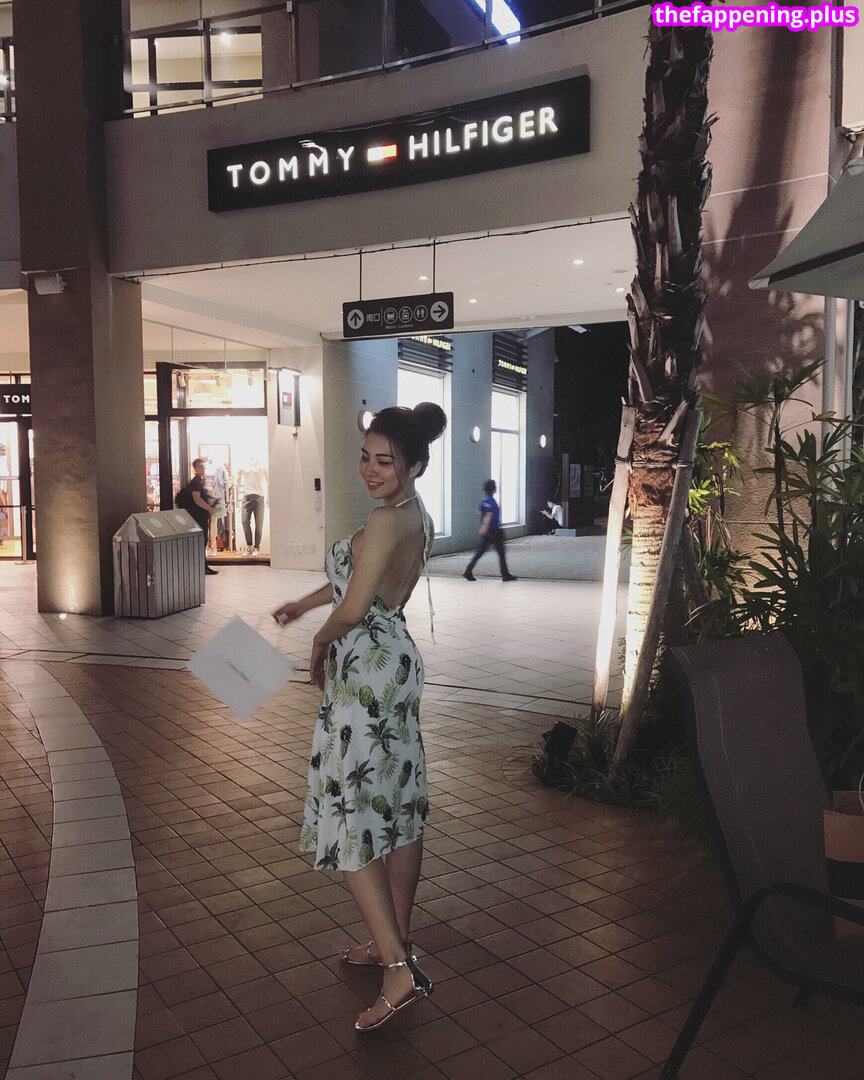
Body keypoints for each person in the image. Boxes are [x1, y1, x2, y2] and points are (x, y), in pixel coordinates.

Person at [272, 402, 446, 1032]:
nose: (371, 470)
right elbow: (356, 582)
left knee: (351, 817)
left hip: (365, 670)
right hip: (392, 661)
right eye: (366, 458)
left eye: (386, 462)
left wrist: (318, 643)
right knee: (396, 809)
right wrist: (303, 604)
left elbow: (351, 609)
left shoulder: (385, 518)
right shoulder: (414, 515)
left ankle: (397, 970)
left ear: (414, 465)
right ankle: (392, 941)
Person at [463, 479, 517, 582]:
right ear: (493, 489)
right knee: (501, 554)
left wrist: (483, 526)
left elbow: (480, 512)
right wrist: (485, 526)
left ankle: (468, 571)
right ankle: (505, 575)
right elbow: (488, 515)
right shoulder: (491, 501)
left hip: (488, 532)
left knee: (479, 553)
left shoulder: (484, 500)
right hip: (494, 532)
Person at [186, 458, 219, 575]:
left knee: (202, 542)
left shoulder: (199, 481)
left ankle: (203, 566)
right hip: (198, 517)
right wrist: (209, 508)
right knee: (201, 542)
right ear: (196, 468)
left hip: (201, 516)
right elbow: (197, 499)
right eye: (201, 466)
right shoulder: (195, 482)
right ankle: (202, 567)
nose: (203, 469)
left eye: (203, 466)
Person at [238, 457, 268, 555]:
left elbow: (268, 481)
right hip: (246, 496)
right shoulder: (243, 465)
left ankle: (256, 547)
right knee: (244, 521)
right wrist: (237, 495)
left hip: (259, 496)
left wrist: (268, 497)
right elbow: (238, 480)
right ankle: (249, 546)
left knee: (259, 523)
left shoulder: (263, 466)